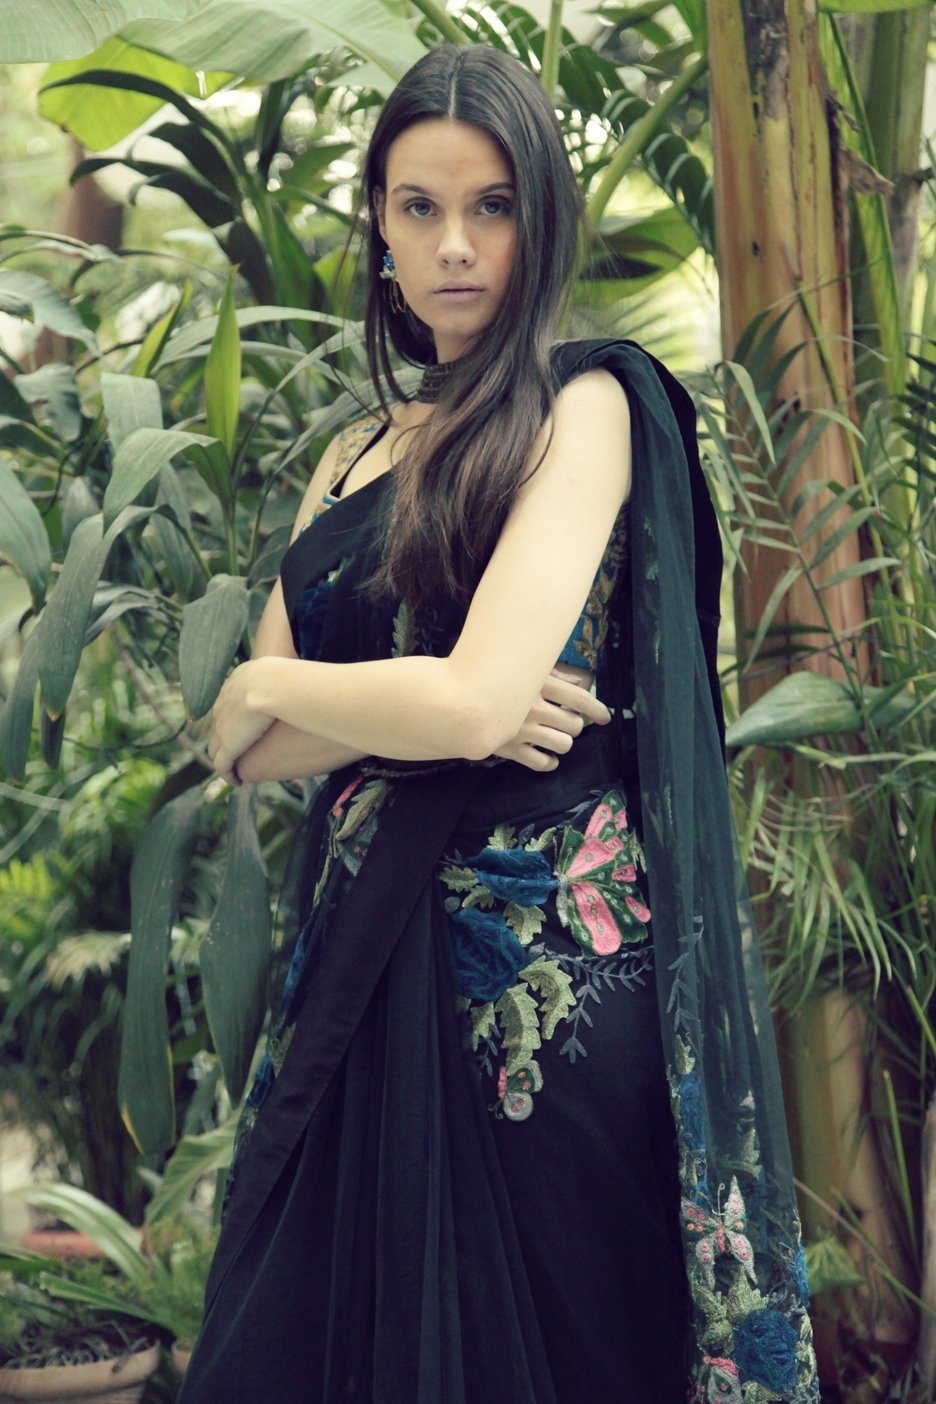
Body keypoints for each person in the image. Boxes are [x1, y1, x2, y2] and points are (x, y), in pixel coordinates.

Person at [187, 43, 818, 1404]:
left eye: (492, 207)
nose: (456, 246)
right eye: (419, 208)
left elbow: (446, 702)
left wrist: (276, 684)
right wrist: (395, 707)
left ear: (541, 216)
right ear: (379, 225)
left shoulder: (583, 406)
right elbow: (255, 758)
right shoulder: (350, 454)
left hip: (537, 991)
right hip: (365, 960)